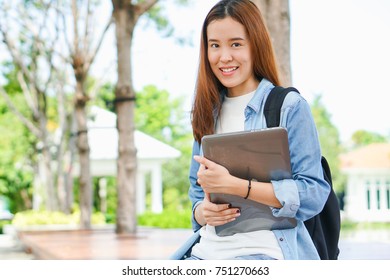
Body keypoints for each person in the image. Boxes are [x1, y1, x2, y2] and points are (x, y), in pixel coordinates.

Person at [179, 0, 330, 260]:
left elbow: (314, 193)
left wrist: (238, 186)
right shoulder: (207, 112)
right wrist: (203, 212)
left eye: (236, 44)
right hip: (204, 253)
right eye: (215, 45)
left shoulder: (289, 107)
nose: (224, 57)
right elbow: (196, 193)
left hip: (264, 253)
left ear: (255, 45)